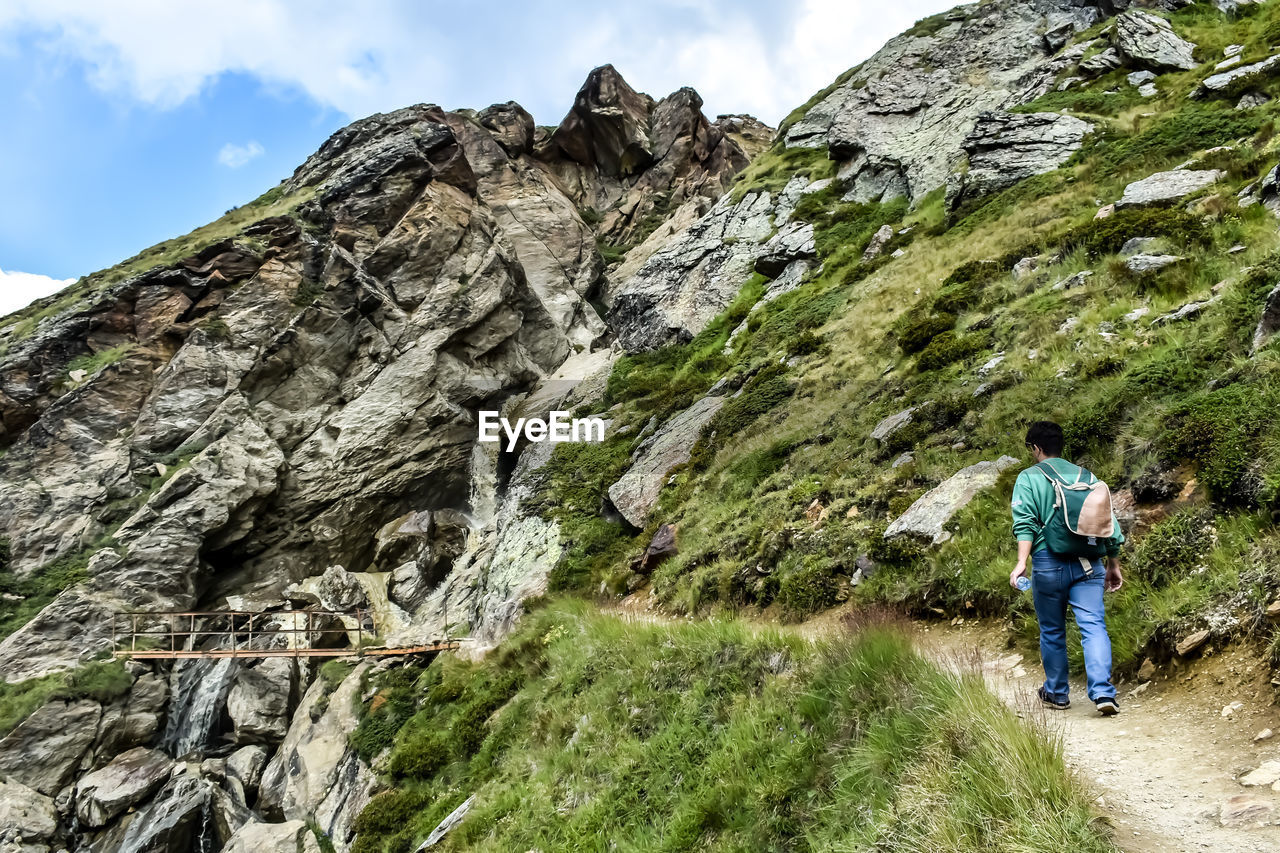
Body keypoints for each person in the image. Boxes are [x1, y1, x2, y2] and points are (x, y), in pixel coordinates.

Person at [1009, 421, 1125, 716]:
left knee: (1052, 630)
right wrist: (1113, 563)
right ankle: (1102, 693)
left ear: (1036, 448)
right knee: (1094, 626)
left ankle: (1058, 693)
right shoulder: (1088, 477)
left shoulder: (1028, 478)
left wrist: (1022, 562)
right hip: (1090, 563)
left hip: (1049, 562)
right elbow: (1108, 524)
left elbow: (1025, 523)